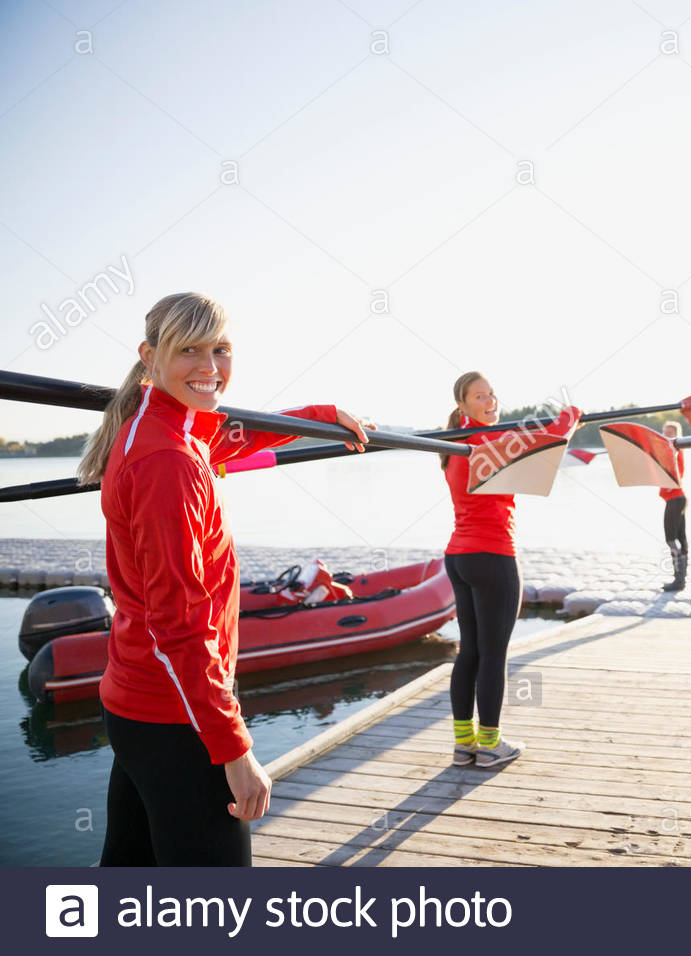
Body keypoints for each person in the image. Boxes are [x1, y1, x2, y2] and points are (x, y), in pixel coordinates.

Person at [79, 292, 370, 866]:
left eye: (221, 349)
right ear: (149, 357)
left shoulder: (160, 428)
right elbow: (179, 628)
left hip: (138, 703)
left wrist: (316, 419)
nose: (211, 367)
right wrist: (234, 750)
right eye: (189, 350)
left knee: (128, 872)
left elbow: (225, 438)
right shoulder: (168, 462)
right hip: (175, 715)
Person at [440, 373, 579, 768]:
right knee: (493, 656)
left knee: (471, 651)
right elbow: (553, 435)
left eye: (491, 394)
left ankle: (463, 746)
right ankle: (489, 745)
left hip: (459, 557)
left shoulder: (455, 443)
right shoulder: (490, 441)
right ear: (462, 406)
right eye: (479, 397)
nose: (489, 401)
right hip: (492, 556)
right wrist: (572, 415)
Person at [659, 420, 688, 591]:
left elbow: (678, 472)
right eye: (664, 432)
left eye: (670, 433)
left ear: (677, 435)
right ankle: (680, 580)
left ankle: (679, 579)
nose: (666, 436)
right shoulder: (668, 452)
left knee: (671, 539)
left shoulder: (675, 451)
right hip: (678, 499)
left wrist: (672, 482)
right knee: (680, 539)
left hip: (676, 499)